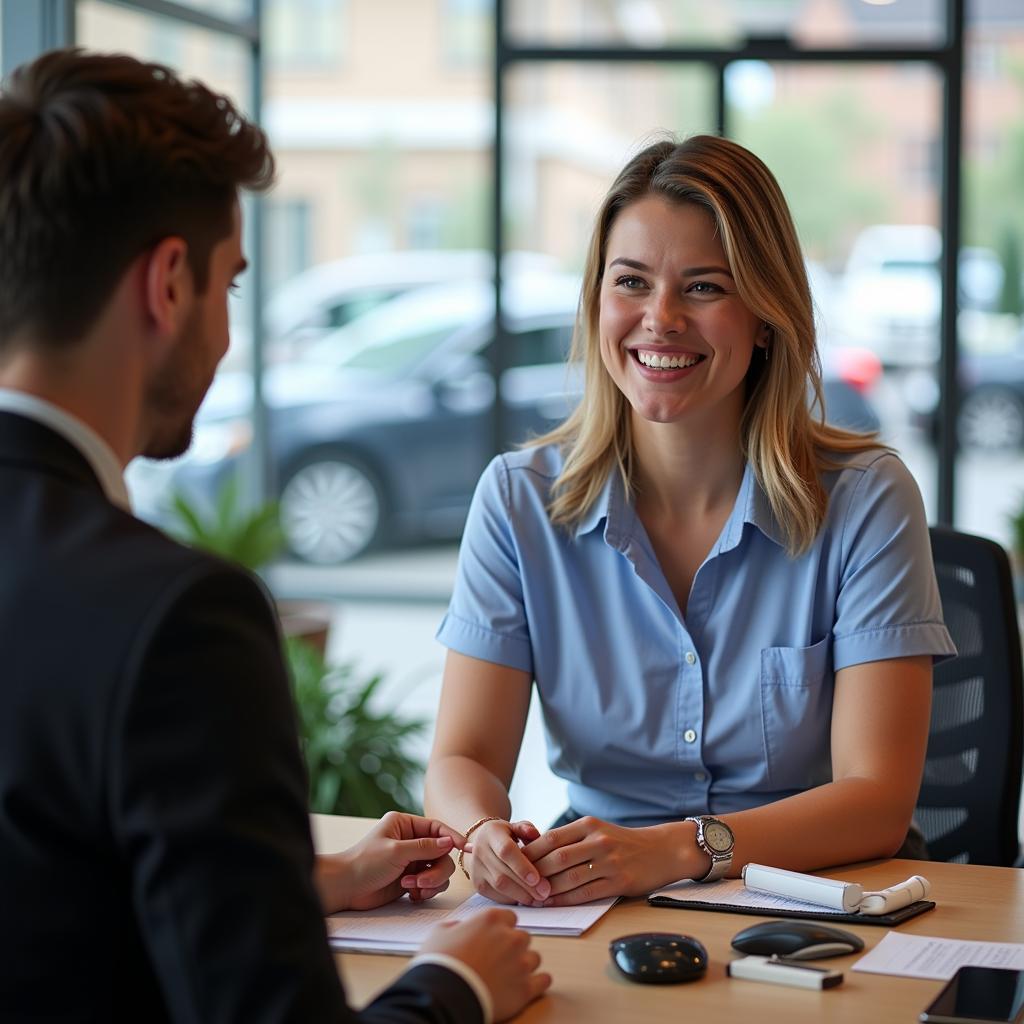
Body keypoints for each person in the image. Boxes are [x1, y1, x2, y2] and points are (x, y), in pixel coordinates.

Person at [0, 48, 549, 1023]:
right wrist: (458, 984)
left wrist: (296, 882)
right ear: (169, 284)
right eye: (233, 287)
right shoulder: (173, 617)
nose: (226, 336)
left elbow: (51, 891)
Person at [424, 134, 956, 908]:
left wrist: (676, 850)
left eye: (704, 287)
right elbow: (461, 759)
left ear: (767, 315)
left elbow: (876, 800)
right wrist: (481, 834)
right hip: (602, 895)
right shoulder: (517, 501)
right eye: (631, 281)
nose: (660, 318)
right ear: (598, 302)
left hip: (818, 894)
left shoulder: (866, 500)